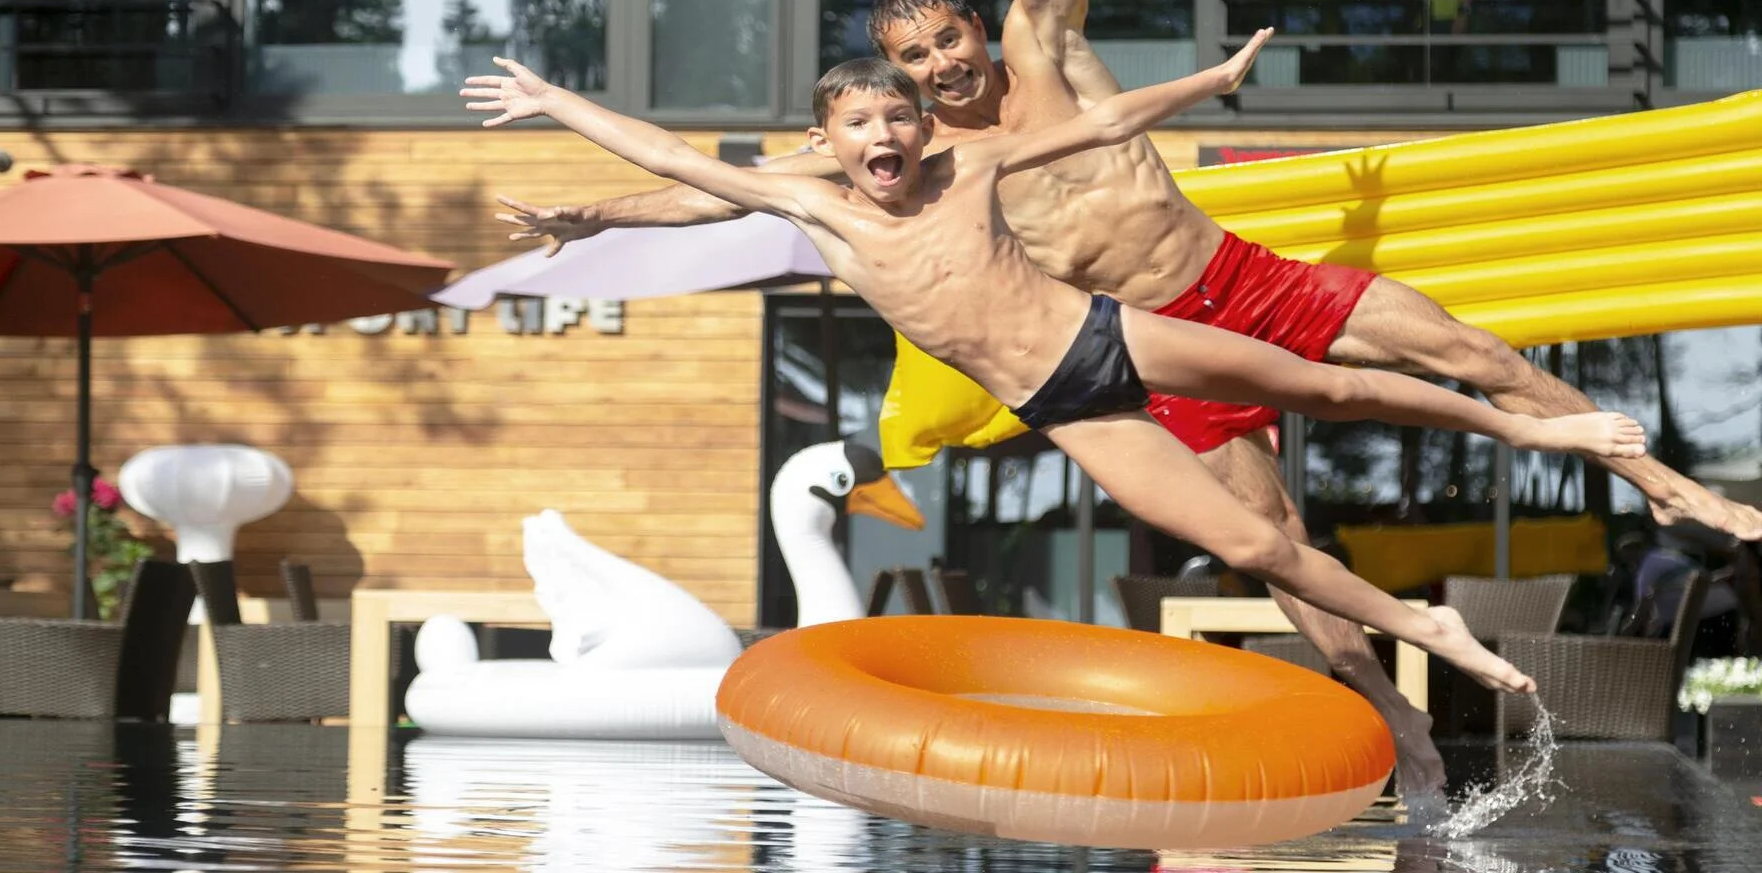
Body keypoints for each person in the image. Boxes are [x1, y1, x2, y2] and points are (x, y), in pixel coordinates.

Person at [489, 0, 1762, 798]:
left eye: (949, 42)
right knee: (1283, 556)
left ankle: (1667, 485)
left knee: (1467, 350)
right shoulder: (896, 155)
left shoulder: (1043, 44)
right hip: (1141, 359)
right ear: (893, 77)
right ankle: (1400, 733)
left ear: (978, 35)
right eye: (914, 59)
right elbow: (708, 189)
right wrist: (586, 213)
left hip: (1222, 279)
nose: (941, 64)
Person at [462, 44, 1659, 706]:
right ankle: (1426, 628)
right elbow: (673, 165)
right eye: (858, 126)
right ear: (825, 144)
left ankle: (1536, 435)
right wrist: (559, 124)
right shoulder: (807, 206)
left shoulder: (970, 167)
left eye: (898, 117)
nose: (883, 138)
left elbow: (1102, 122)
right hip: (1062, 406)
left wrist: (1208, 85)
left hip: (1111, 334)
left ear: (917, 128)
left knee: (1330, 386)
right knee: (1251, 548)